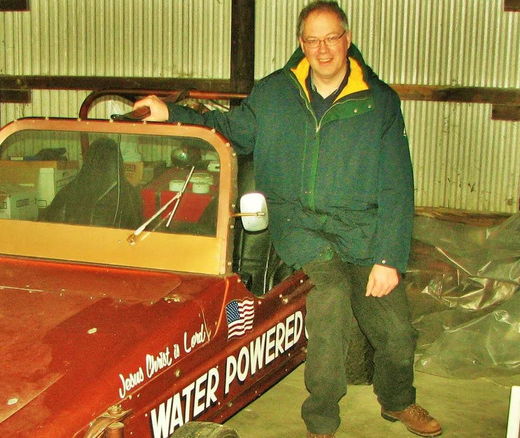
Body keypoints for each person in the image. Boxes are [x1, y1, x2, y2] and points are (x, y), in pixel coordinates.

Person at [133, 2, 441, 436]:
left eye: (331, 37)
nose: (323, 49)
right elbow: (230, 129)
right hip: (300, 225)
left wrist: (388, 257)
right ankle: (321, 420)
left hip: (361, 229)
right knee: (330, 301)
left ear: (347, 39)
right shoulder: (274, 93)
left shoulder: (378, 102)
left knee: (395, 331)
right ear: (302, 44)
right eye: (312, 40)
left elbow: (397, 185)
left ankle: (397, 400)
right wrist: (173, 113)